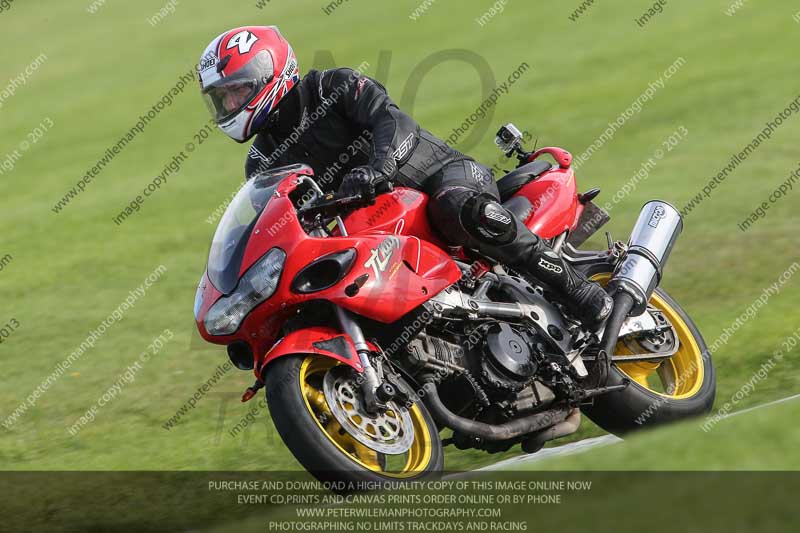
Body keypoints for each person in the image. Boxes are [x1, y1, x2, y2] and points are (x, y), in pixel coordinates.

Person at [197, 26, 612, 326]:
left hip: (437, 178)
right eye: (222, 98)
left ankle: (577, 289)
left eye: (237, 90)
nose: (231, 103)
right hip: (377, 232)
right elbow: (276, 222)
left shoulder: (332, 87)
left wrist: (378, 168)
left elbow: (393, 123)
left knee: (456, 207)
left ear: (269, 73)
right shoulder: (261, 162)